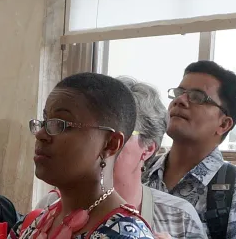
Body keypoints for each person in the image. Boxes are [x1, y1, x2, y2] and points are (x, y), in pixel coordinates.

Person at [35, 77, 208, 239]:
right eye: (48, 121)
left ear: (148, 148)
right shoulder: (51, 208)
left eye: (124, 133)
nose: (43, 134)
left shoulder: (179, 217)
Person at [10, 73, 154, 238]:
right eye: (45, 121)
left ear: (110, 144)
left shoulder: (125, 234)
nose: (41, 134)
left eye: (61, 124)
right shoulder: (34, 224)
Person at [143, 61, 236, 239]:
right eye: (179, 92)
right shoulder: (140, 169)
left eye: (197, 97)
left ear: (223, 124)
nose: (180, 101)